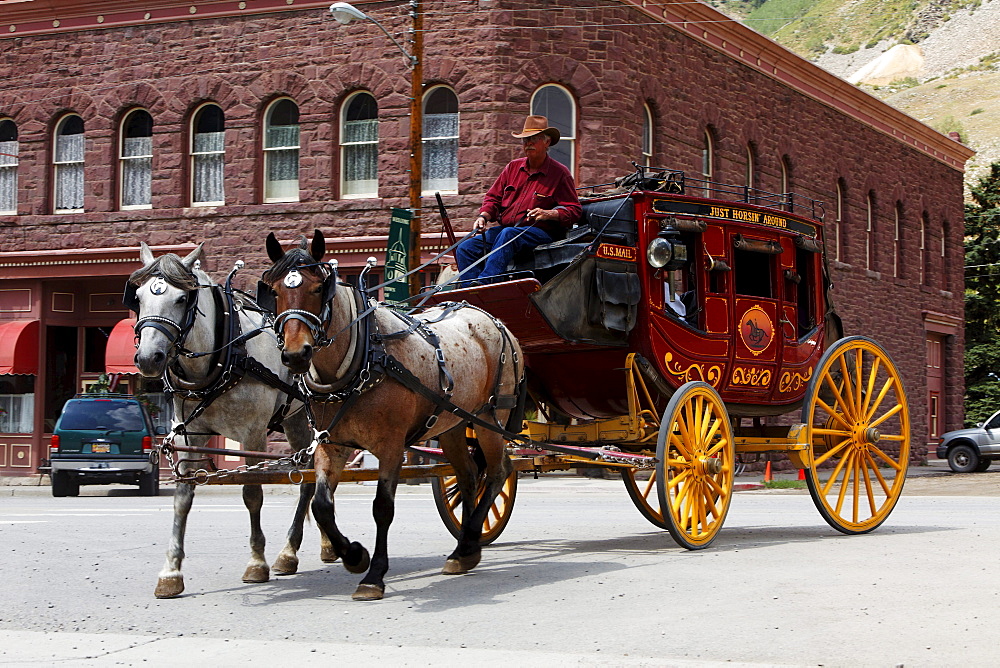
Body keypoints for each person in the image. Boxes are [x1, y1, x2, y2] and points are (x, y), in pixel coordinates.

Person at [455, 115, 582, 283]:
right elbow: (493, 198)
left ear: (547, 142)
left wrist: (549, 214)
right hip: (507, 231)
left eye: (533, 139)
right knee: (465, 248)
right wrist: (483, 216)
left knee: (509, 234)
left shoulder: (560, 173)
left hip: (540, 233)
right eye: (525, 140)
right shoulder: (512, 168)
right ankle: (470, 293)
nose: (528, 143)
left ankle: (485, 284)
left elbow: (575, 210)